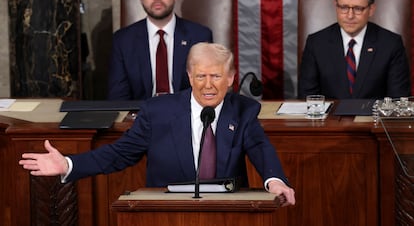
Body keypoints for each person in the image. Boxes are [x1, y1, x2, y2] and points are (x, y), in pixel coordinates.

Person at [19, 43, 295, 206]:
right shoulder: (158, 111)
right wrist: (69, 164)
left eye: (216, 76)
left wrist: (275, 181)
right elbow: (120, 154)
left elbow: (260, 147)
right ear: (189, 76)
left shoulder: (243, 110)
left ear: (231, 78)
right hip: (168, 212)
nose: (208, 85)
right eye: (200, 76)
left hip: (228, 212)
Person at [108, 0, 213, 100]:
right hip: (141, 116)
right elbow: (118, 98)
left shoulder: (200, 36)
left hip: (186, 115)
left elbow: (206, 90)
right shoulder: (123, 40)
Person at [298, 0, 410, 99]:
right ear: (336, 6)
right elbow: (307, 98)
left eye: (358, 9)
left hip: (373, 117)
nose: (350, 16)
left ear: (371, 10)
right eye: (344, 7)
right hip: (329, 117)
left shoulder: (391, 44)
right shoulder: (316, 43)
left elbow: (398, 100)